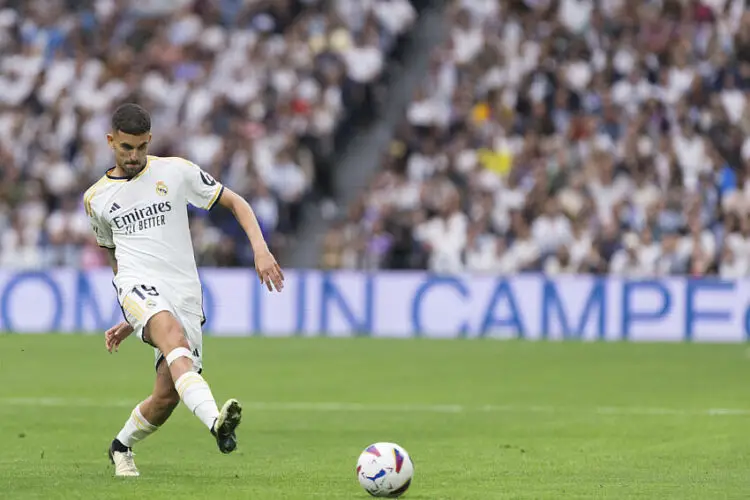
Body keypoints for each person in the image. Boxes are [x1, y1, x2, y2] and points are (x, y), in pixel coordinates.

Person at [84, 103, 285, 477]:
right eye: (126, 147)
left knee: (167, 395)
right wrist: (134, 310)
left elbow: (235, 202)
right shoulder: (96, 199)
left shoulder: (175, 171)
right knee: (173, 339)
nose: (134, 156)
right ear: (111, 141)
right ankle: (216, 423)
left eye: (141, 147)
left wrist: (260, 248)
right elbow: (115, 258)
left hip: (184, 291)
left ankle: (120, 446)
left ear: (150, 141)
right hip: (137, 285)